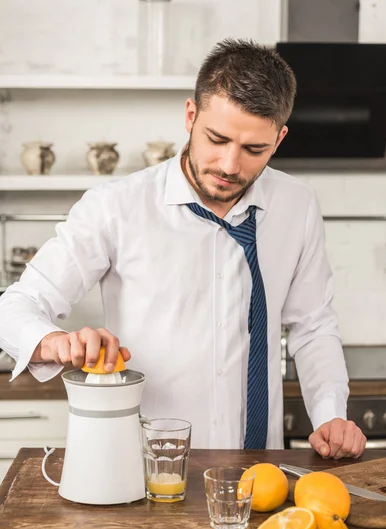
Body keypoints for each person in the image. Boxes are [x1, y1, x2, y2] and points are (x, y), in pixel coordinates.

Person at [0, 38, 366, 457]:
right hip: (144, 469)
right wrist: (51, 341)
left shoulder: (297, 206)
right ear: (191, 116)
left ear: (279, 139)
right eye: (217, 138)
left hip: (258, 475)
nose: (230, 165)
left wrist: (329, 415)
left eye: (254, 149)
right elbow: (15, 305)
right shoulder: (116, 206)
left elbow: (313, 326)